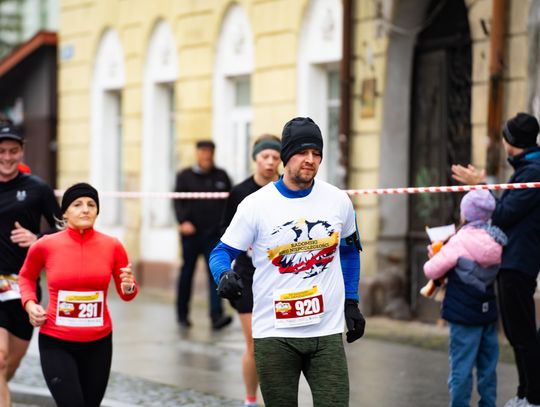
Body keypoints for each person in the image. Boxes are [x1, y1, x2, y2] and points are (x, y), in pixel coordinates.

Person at [209, 117, 366, 407]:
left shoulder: (338, 200)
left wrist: (352, 302)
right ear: (286, 155)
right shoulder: (256, 205)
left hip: (326, 332)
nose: (310, 160)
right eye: (302, 152)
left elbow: (348, 251)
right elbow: (220, 252)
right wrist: (224, 275)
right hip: (274, 334)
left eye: (316, 153)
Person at [18, 182, 138, 407]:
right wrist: (30, 304)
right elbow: (25, 278)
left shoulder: (112, 246)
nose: (85, 209)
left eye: (91, 204)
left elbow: (127, 294)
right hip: (56, 341)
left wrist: (129, 286)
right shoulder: (45, 245)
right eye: (77, 204)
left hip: (99, 343)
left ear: (97, 211)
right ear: (65, 212)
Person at [452, 112, 540, 407]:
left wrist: (481, 185)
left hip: (519, 262)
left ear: (509, 141)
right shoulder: (528, 168)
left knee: (522, 335)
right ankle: (526, 394)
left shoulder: (533, 171)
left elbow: (502, 213)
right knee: (518, 334)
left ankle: (533, 397)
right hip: (515, 260)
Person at [423, 189, 507, 407]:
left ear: (466, 213)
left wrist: (435, 254)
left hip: (463, 315)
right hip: (487, 312)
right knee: (488, 368)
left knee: (461, 368)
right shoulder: (497, 239)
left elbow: (431, 270)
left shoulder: (459, 241)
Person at [0, 123, 61, 405]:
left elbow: (64, 230)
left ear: (22, 151)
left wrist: (37, 238)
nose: (7, 157)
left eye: (13, 151)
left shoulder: (37, 188)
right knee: (0, 358)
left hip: (24, 286)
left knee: (11, 363)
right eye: (1, 151)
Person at [220, 134, 281, 407]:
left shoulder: (285, 188)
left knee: (279, 346)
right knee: (255, 344)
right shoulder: (240, 192)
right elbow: (225, 231)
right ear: (255, 159)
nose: (270, 162)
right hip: (247, 275)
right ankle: (250, 400)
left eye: (275, 157)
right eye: (265, 157)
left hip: (279, 274)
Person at [174, 140, 232, 330]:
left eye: (209, 152)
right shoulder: (184, 176)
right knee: (187, 273)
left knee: (216, 273)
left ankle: (216, 316)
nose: (206, 155)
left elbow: (229, 203)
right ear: (197, 153)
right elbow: (177, 202)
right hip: (191, 235)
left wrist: (225, 227)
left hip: (213, 235)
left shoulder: (221, 176)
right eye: (203, 151)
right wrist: (183, 221)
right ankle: (182, 314)